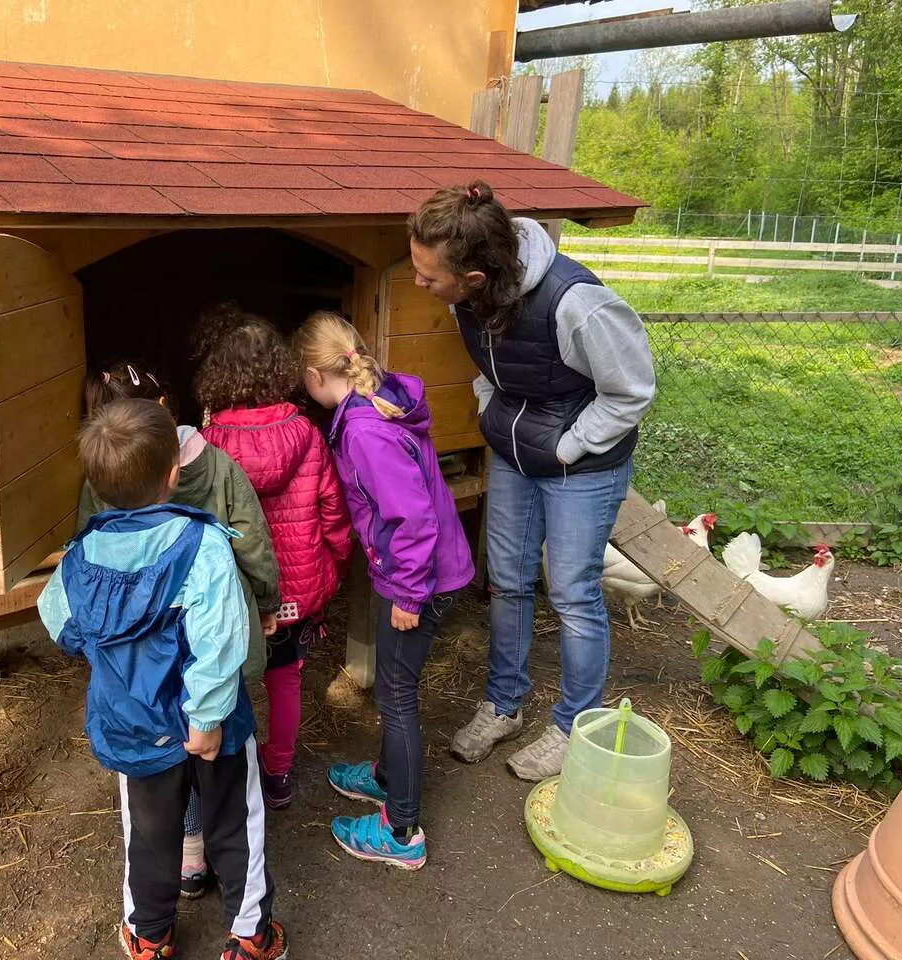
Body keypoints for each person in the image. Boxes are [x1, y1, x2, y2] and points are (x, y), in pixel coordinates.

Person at [407, 181, 655, 781]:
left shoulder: (576, 303)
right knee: (510, 581)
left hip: (581, 463)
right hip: (517, 451)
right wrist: (491, 407)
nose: (419, 284)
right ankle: (504, 703)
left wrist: (568, 446)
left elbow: (632, 391)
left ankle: (575, 725)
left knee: (571, 592)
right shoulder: (467, 296)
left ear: (474, 278)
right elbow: (491, 363)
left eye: (427, 275)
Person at [39, 399, 287, 960]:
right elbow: (222, 640)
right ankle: (251, 938)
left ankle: (150, 936)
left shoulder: (81, 553)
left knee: (148, 837)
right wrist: (205, 718)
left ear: (98, 488)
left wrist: (109, 657)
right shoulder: (202, 547)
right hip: (212, 725)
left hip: (133, 725)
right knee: (235, 825)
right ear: (174, 473)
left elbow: (58, 617)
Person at [295, 310, 474, 870]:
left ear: (313, 374)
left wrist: (409, 595)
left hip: (421, 580)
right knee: (395, 686)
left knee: (397, 697)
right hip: (413, 574)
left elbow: (413, 519)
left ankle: (402, 829)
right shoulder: (376, 403)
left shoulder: (367, 432)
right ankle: (385, 776)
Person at [196, 305, 353, 810]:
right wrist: (334, 569)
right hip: (296, 592)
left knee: (230, 677)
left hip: (237, 596)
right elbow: (334, 510)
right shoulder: (306, 433)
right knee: (286, 678)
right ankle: (279, 772)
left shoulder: (209, 444)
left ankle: (231, 774)